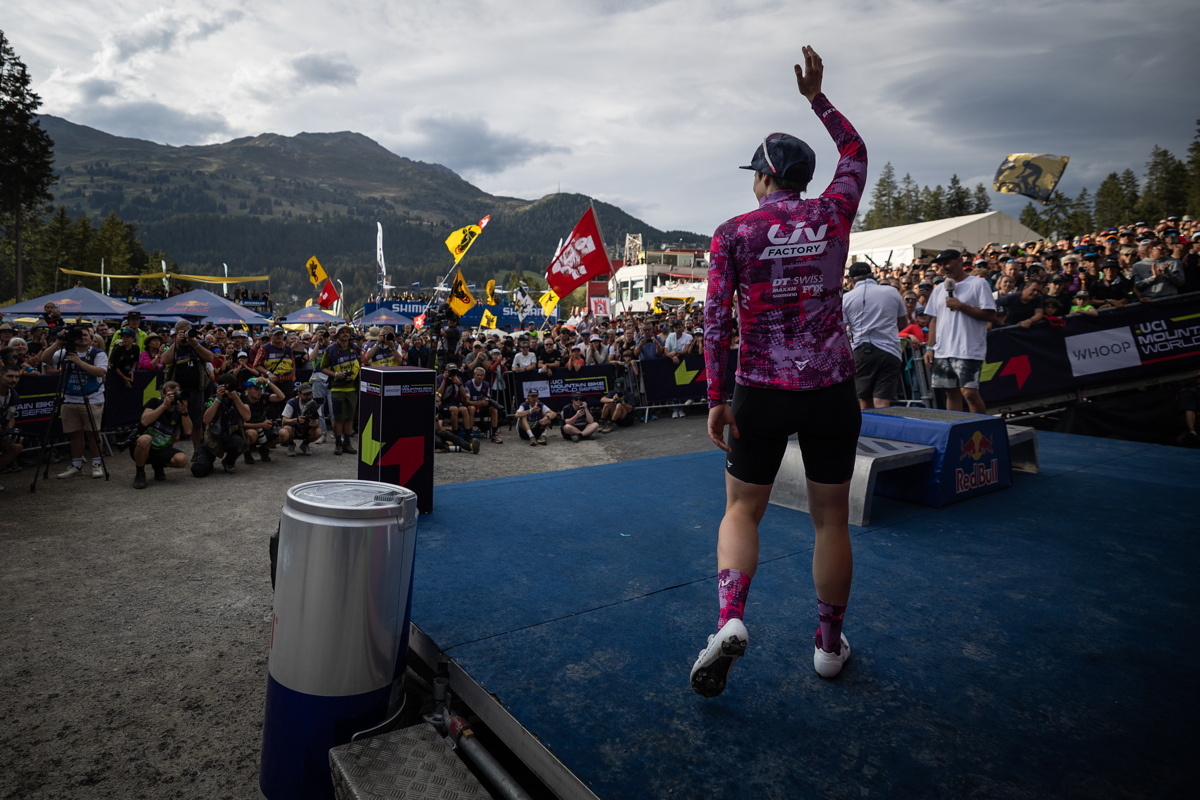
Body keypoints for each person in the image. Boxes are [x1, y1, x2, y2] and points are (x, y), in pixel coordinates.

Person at [694, 47, 867, 697]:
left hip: (761, 390)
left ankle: (730, 619)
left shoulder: (734, 232)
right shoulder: (833, 213)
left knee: (742, 510)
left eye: (756, 175)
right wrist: (818, 99)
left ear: (766, 177)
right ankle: (827, 644)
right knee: (831, 520)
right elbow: (855, 152)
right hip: (831, 387)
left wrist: (717, 396)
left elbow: (717, 322)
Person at [922, 249, 999, 414]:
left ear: (959, 261)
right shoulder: (939, 289)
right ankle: (955, 425)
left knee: (969, 393)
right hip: (943, 350)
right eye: (941, 264)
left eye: (947, 263)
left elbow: (991, 315)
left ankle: (980, 426)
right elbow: (934, 320)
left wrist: (961, 306)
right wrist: (929, 347)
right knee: (950, 393)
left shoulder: (978, 284)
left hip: (968, 348)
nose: (944, 267)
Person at [41, 326, 109, 479]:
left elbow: (100, 371)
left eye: (85, 335)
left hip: (92, 398)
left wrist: (79, 362)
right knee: (74, 433)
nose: (82, 337)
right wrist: (58, 342)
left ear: (91, 338)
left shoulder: (98, 353)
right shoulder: (66, 352)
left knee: (93, 433)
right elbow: (45, 359)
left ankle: (96, 464)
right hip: (70, 398)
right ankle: (76, 465)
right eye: (78, 335)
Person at [842, 261, 906, 409]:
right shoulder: (892, 291)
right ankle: (883, 425)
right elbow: (903, 323)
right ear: (872, 276)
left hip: (861, 350)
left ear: (851, 280)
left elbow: (843, 329)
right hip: (890, 350)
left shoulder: (847, 297)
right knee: (883, 401)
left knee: (864, 399)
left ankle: (868, 425)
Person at [160, 321, 216, 454]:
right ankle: (168, 451)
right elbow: (165, 360)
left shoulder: (199, 343)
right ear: (176, 333)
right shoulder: (171, 345)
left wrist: (194, 343)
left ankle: (197, 451)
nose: (184, 335)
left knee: (197, 423)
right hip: (175, 390)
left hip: (196, 389)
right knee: (173, 422)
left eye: (186, 332)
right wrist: (176, 343)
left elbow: (210, 357)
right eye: (181, 332)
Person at [131, 380, 192, 488]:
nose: (174, 397)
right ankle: (140, 473)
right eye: (170, 394)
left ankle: (158, 464)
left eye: (176, 394)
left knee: (182, 460)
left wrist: (184, 411)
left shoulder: (178, 410)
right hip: (143, 447)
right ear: (163, 394)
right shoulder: (155, 402)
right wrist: (164, 406)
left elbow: (188, 431)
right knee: (145, 439)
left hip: (162, 448)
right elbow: (144, 421)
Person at [320, 324, 361, 455]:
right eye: (342, 332)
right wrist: (335, 374)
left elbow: (363, 363)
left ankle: (347, 443)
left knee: (349, 418)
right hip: (337, 389)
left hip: (352, 389)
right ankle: (338, 443)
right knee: (338, 419)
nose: (345, 334)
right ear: (337, 335)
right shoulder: (330, 349)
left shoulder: (355, 348)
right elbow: (322, 367)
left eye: (347, 332)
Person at [463, 366, 503, 443]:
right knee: (472, 408)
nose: (479, 377)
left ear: (484, 376)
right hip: (472, 405)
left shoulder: (486, 385)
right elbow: (466, 401)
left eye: (481, 375)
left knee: (494, 409)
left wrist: (486, 402)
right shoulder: (468, 384)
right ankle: (469, 433)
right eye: (478, 375)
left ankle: (494, 433)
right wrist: (478, 403)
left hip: (482, 407)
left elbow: (487, 396)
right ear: (474, 375)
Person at [281, 383, 322, 456]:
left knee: (318, 431)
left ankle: (305, 444)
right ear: (299, 394)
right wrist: (296, 420)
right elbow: (284, 421)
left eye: (310, 394)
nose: (308, 396)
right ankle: (291, 444)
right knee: (287, 428)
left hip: (307, 429)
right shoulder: (292, 403)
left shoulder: (315, 404)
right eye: (306, 394)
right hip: (294, 429)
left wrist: (315, 423)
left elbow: (318, 421)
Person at [0, 366, 23, 491]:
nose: (14, 380)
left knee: (16, 448)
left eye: (17, 377)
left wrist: (8, 431)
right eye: (9, 376)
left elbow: (11, 417)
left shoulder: (12, 394)